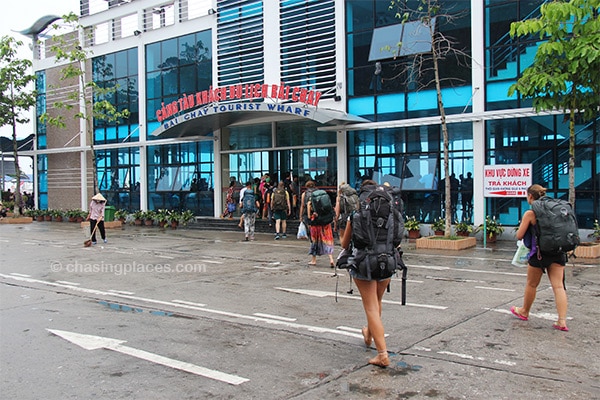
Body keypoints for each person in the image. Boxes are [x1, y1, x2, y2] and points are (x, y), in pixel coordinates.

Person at [340, 179, 394, 367]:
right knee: (377, 302)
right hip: (387, 261)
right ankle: (369, 334)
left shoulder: (357, 212)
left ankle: (382, 354)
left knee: (370, 306)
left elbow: (344, 244)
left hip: (364, 262)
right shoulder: (390, 211)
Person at [510, 184, 569, 331]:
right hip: (558, 251)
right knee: (558, 286)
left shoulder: (531, 213)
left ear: (530, 196)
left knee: (532, 284)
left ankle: (524, 311)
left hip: (539, 253)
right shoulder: (556, 208)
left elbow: (519, 235)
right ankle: (561, 321)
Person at [300, 181, 335, 267]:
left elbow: (306, 211)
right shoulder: (321, 194)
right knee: (327, 239)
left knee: (314, 241)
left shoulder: (305, 196)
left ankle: (313, 260)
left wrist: (303, 217)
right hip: (325, 221)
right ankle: (331, 259)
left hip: (315, 222)